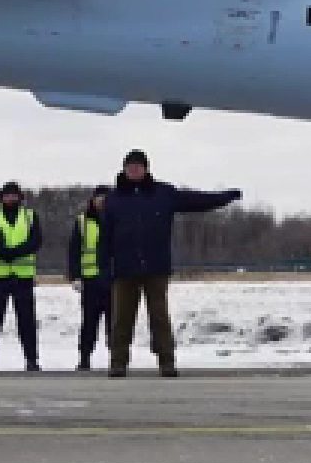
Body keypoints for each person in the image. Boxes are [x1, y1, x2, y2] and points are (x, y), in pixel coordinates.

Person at [100, 149, 242, 378]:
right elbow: (104, 237)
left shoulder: (163, 193)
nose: (134, 170)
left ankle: (167, 362)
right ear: (124, 169)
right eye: (130, 166)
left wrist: (224, 197)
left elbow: (197, 200)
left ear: (146, 169)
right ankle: (118, 363)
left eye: (138, 166)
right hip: (124, 269)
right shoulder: (114, 199)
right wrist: (105, 267)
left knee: (159, 317)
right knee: (121, 319)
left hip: (156, 267)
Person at [0, 181, 43, 372]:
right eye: (8, 195)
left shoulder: (30, 217)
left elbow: (36, 240)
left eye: (14, 195)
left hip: (23, 276)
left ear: (20, 197)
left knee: (27, 321)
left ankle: (31, 360)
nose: (11, 199)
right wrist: (1, 251)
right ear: (1, 197)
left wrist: (17, 252)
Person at [67, 185, 113, 371]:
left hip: (113, 280)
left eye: (105, 199)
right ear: (92, 200)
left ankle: (116, 359)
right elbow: (74, 250)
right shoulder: (83, 222)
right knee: (89, 322)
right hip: (91, 280)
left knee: (115, 323)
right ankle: (85, 358)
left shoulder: (118, 219)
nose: (101, 202)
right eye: (99, 198)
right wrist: (75, 276)